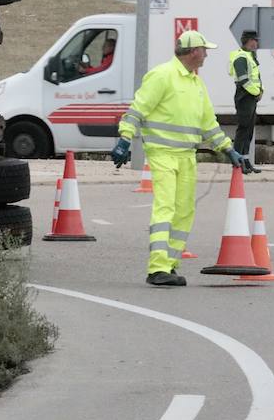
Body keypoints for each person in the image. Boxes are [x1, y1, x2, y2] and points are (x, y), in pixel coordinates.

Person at [111, 30, 254, 287]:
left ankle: (170, 264)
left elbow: (209, 125)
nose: (207, 55)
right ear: (193, 51)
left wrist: (228, 149)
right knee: (165, 208)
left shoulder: (196, 83)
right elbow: (137, 110)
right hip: (163, 155)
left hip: (187, 157)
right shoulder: (162, 76)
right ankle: (157, 267)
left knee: (184, 211)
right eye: (204, 50)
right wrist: (125, 137)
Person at [228, 30, 263, 170]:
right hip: (244, 96)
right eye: (255, 40)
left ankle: (246, 161)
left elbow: (256, 77)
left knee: (249, 130)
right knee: (243, 130)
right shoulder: (241, 57)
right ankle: (237, 162)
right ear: (248, 41)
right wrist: (256, 92)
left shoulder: (250, 56)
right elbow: (244, 81)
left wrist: (261, 91)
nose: (257, 43)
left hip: (251, 96)